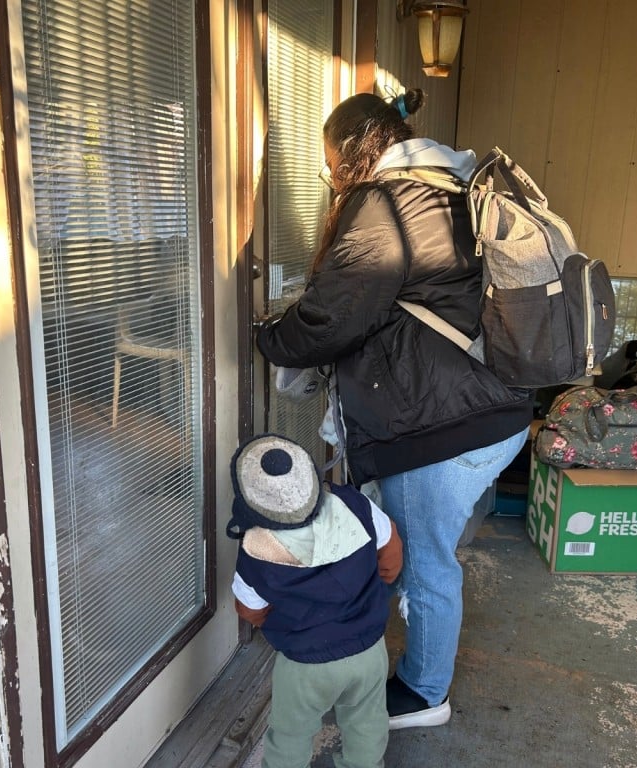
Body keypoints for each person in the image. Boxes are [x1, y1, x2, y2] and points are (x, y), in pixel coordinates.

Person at [255, 88, 533, 730]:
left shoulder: (387, 202)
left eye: (331, 164)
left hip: (443, 427)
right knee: (413, 551)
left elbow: (330, 319)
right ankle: (392, 661)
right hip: (480, 410)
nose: (331, 178)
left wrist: (266, 337)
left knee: (425, 563)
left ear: (355, 153)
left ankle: (425, 693)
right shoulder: (447, 187)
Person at [228, 433, 403, 768]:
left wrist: (283, 622)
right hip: (368, 651)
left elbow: (251, 609)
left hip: (304, 665)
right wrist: (378, 589)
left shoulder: (255, 549)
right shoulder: (354, 504)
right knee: (367, 724)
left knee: (290, 734)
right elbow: (390, 551)